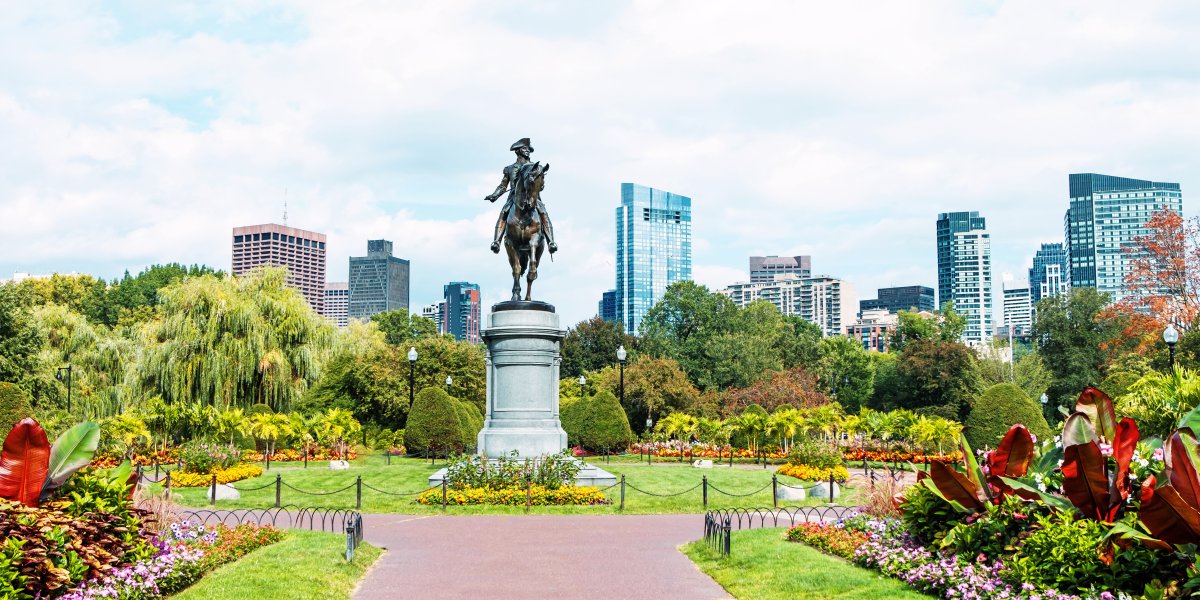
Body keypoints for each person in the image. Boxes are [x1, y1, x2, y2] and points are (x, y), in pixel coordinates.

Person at [485, 138, 558, 254]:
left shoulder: (535, 167)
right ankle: (496, 241)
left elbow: (541, 184)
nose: (528, 151)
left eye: (529, 149)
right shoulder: (509, 169)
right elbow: (503, 186)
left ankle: (551, 242)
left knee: (543, 212)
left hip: (533, 197)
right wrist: (494, 195)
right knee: (503, 213)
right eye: (525, 149)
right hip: (514, 198)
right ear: (517, 151)